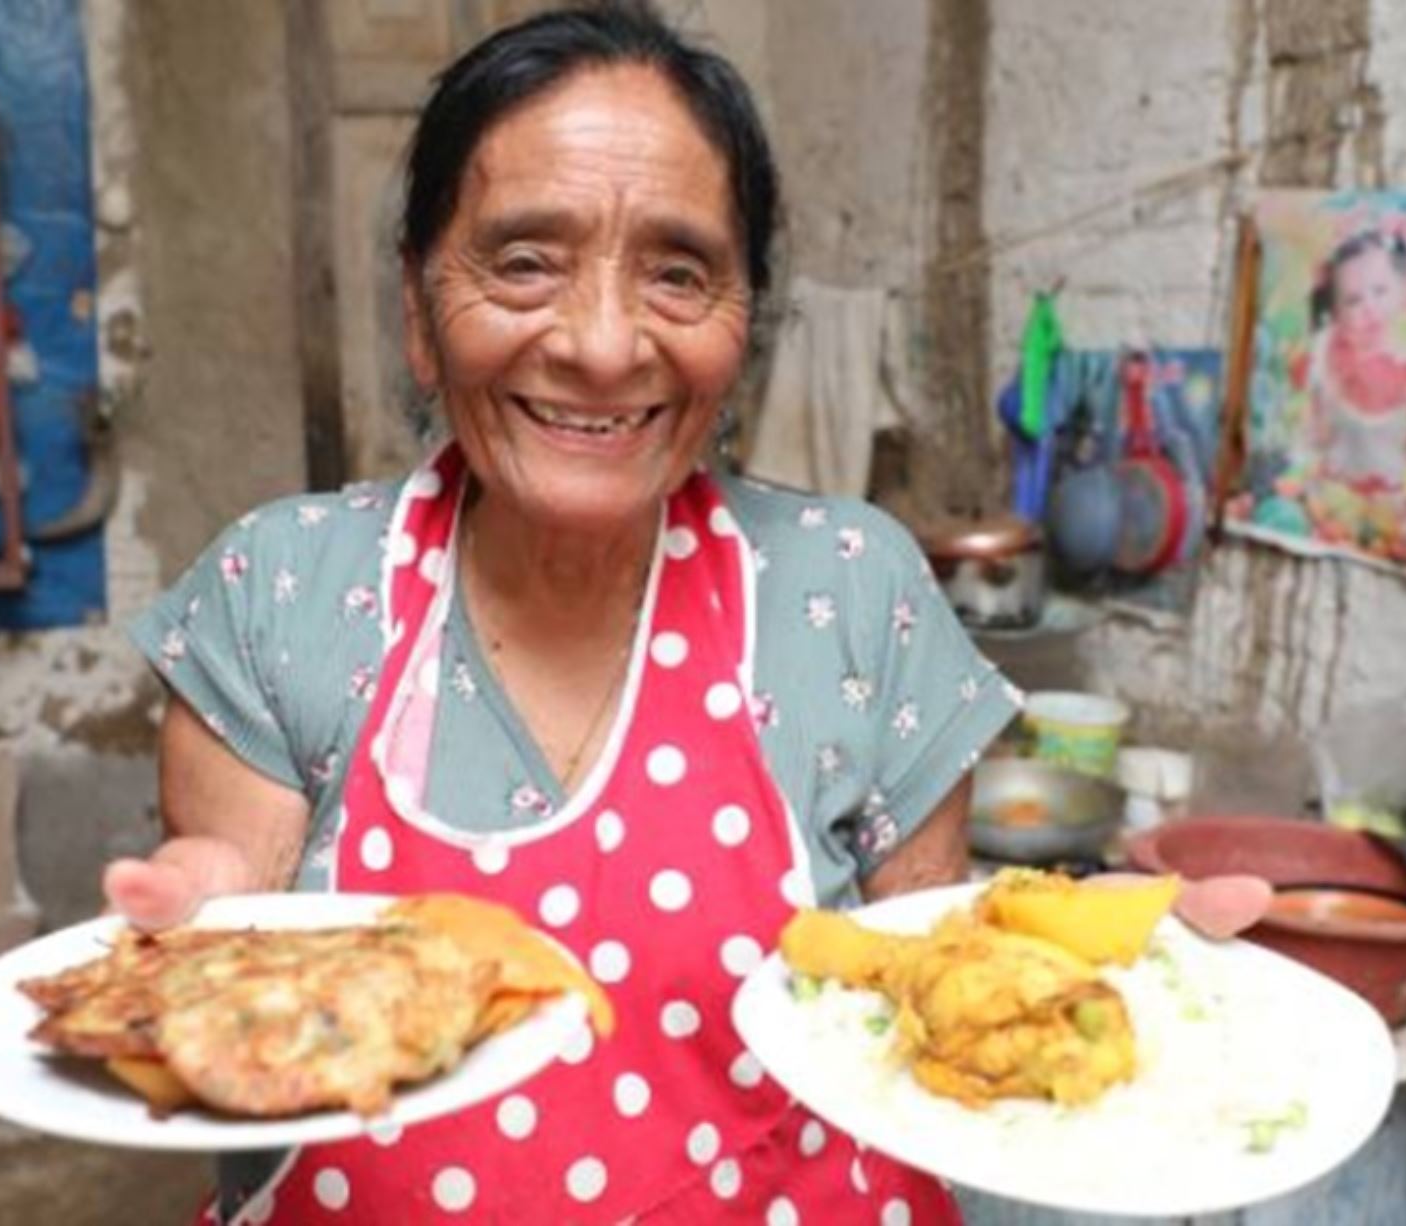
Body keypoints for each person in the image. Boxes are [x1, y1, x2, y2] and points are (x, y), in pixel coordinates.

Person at [105, 4, 1016, 1222]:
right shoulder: (283, 590)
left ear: (744, 322)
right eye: (525, 261)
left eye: (679, 272)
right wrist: (211, 913)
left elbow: (936, 998)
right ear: (422, 311)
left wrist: (1133, 977)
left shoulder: (854, 587)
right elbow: (242, 967)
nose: (599, 345)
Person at [1300, 227, 1406, 559]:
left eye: (1380, 291)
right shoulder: (1326, 353)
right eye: (1354, 300)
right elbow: (1314, 436)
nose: (1369, 308)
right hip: (1327, 504)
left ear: (1403, 292)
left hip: (1387, 516)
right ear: (1338, 313)